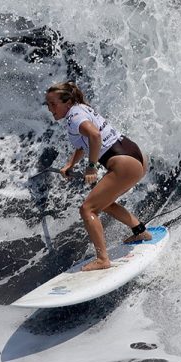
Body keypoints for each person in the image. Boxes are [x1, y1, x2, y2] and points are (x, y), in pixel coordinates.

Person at [44, 81, 153, 271]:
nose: (50, 108)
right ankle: (140, 231)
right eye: (48, 104)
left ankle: (103, 259)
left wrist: (92, 167)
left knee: (87, 209)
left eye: (53, 104)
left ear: (67, 102)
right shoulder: (81, 109)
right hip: (135, 156)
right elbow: (84, 142)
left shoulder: (74, 117)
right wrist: (70, 164)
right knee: (103, 202)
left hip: (123, 162)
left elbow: (94, 136)